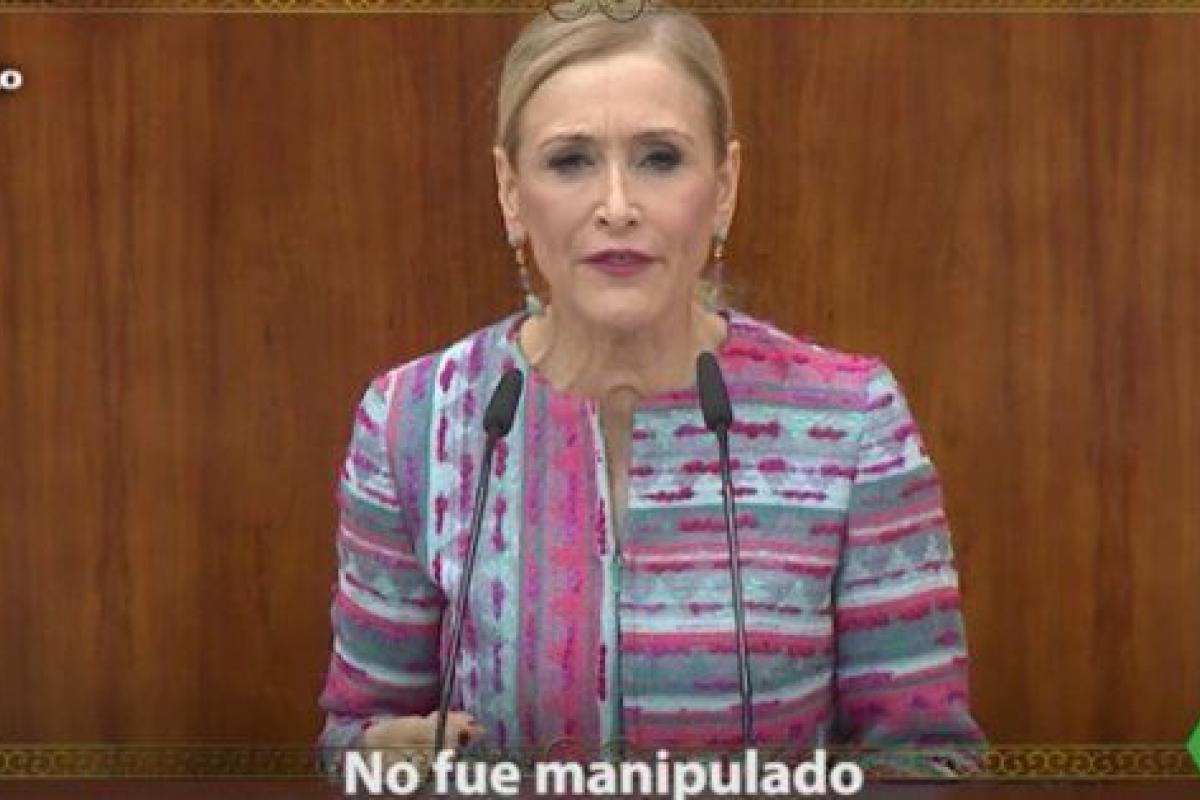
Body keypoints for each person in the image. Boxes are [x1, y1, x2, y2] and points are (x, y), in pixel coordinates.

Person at [317, 2, 985, 776]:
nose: (617, 207)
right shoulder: (413, 422)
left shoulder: (851, 420)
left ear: (724, 186)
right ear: (510, 191)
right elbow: (353, 737)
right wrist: (380, 759)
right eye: (571, 161)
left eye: (659, 158)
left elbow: (928, 759)